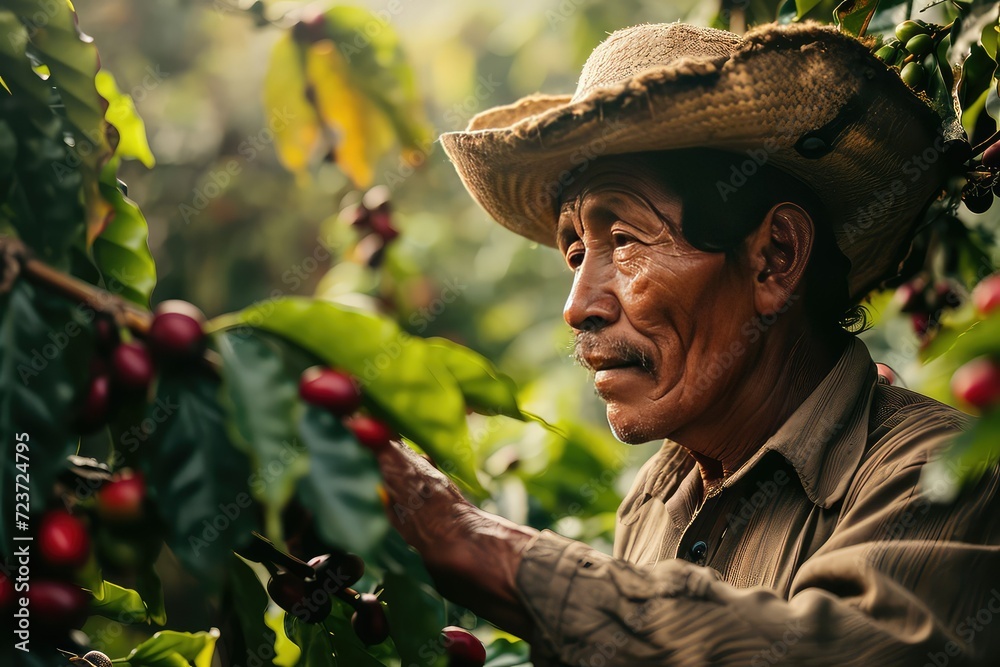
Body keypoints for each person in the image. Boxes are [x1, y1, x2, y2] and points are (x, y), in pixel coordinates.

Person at [373, 20, 1000, 666]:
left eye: (625, 240)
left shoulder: (945, 478)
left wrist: (467, 538)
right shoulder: (653, 502)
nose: (578, 306)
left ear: (774, 259)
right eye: (576, 251)